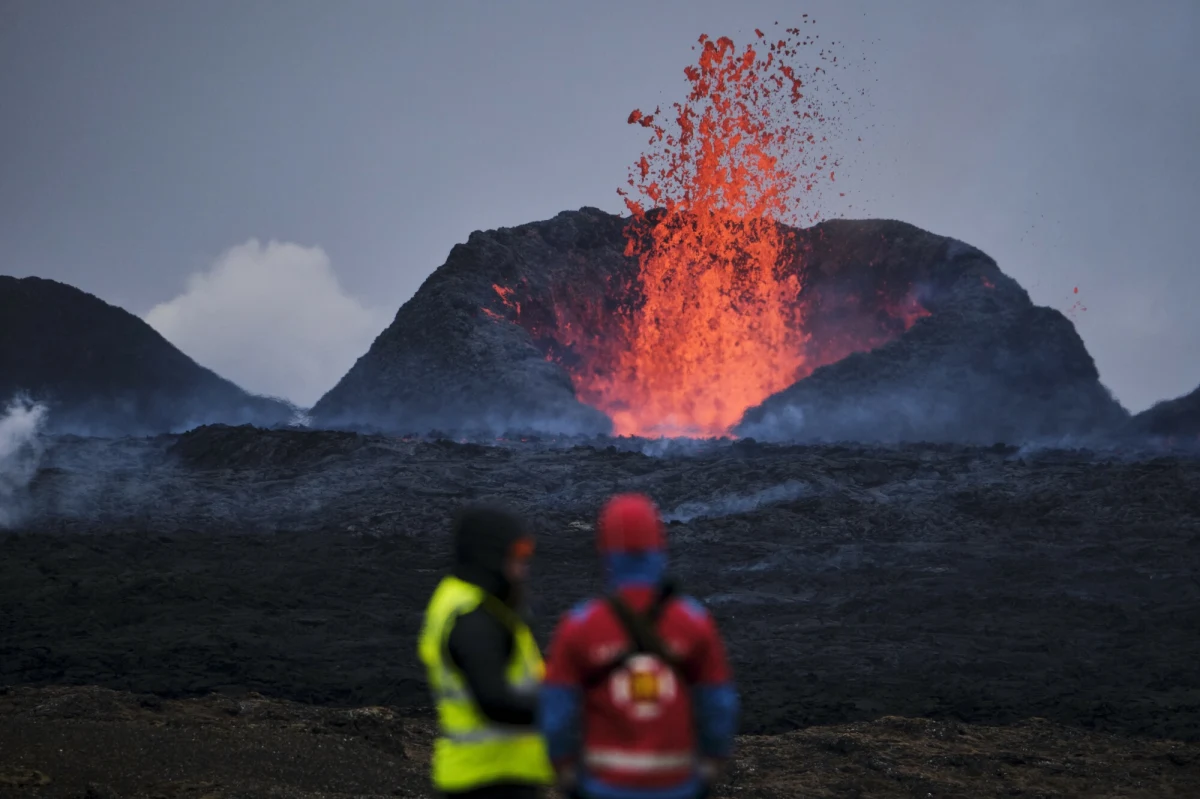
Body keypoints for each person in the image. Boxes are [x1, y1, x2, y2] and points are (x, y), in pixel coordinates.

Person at [538, 493, 740, 799]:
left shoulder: (580, 624)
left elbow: (557, 710)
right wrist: (712, 762)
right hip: (676, 786)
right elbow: (718, 703)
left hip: (603, 786)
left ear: (605, 551)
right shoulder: (693, 621)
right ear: (659, 547)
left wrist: (564, 768)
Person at [416, 504, 555, 798]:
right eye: (519, 555)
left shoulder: (475, 603)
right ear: (492, 556)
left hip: (492, 776)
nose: (525, 566)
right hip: (487, 782)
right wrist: (567, 707)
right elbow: (494, 700)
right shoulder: (472, 619)